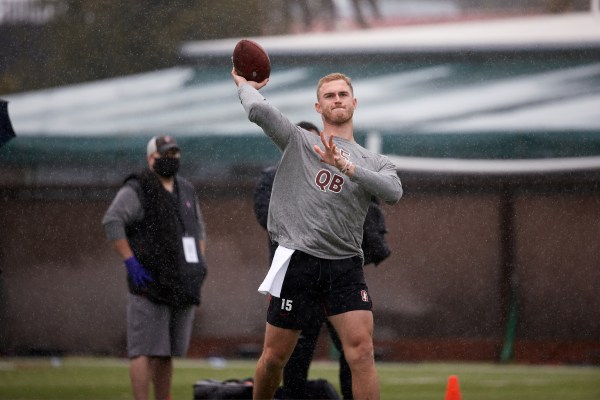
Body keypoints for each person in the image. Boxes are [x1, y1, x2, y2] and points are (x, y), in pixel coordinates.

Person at [232, 69, 402, 399]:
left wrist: (348, 168)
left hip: (344, 266)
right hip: (298, 261)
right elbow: (259, 111)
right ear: (317, 107)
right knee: (274, 359)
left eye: (342, 95)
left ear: (354, 102)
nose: (336, 100)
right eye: (329, 96)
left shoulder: (375, 161)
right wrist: (244, 84)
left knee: (362, 354)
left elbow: (394, 192)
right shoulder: (300, 141)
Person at [253, 122, 392, 399]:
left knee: (358, 352)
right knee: (282, 356)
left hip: (339, 272)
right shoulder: (273, 177)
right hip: (296, 273)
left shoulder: (344, 169)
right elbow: (270, 219)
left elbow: (377, 202)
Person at [102, 135, 207, 400]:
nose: (171, 159)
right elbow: (112, 221)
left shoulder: (186, 189)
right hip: (148, 281)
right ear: (151, 158)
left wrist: (198, 266)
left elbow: (199, 230)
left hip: (181, 282)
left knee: (166, 351)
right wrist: (130, 261)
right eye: (165, 154)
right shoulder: (138, 188)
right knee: (143, 349)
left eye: (174, 154)